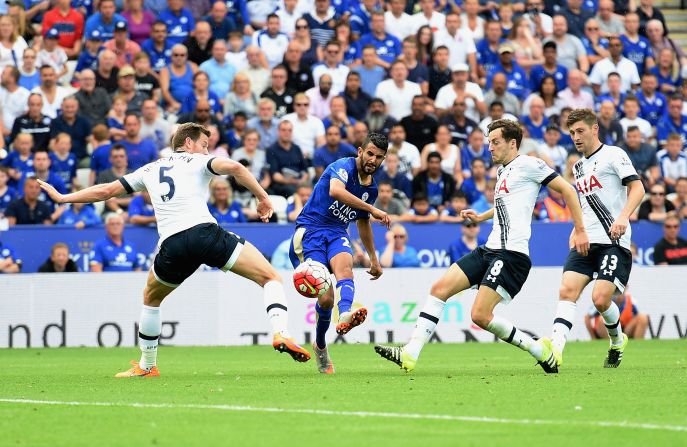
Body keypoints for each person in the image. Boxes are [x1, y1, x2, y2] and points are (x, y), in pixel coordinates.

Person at [38, 122, 311, 376]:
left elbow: (106, 190)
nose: (207, 149)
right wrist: (263, 198)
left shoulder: (149, 169)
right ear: (189, 143)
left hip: (173, 244)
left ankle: (147, 365)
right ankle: (280, 332)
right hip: (205, 234)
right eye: (205, 144)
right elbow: (238, 169)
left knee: (151, 298)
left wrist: (64, 198)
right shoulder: (200, 161)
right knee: (270, 278)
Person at [375, 118, 589, 373]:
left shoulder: (531, 164)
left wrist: (580, 229)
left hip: (511, 254)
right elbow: (505, 205)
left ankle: (539, 350)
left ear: (512, 143)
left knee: (480, 316)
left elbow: (568, 190)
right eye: (488, 143)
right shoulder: (502, 171)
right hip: (489, 249)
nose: (490, 147)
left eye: (495, 142)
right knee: (439, 288)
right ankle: (409, 354)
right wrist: (482, 216)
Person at [549, 108, 645, 371]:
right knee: (567, 291)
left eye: (580, 131)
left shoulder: (615, 154)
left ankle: (616, 341)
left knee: (601, 299)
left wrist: (624, 216)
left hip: (614, 239)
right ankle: (554, 352)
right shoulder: (577, 166)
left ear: (594, 129)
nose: (576, 137)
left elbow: (638, 188)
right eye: (571, 133)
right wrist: (576, 228)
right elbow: (583, 203)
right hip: (586, 239)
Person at [289, 132, 391, 374]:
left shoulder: (371, 189)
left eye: (378, 157)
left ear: (383, 159)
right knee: (325, 298)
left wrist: (374, 259)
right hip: (311, 231)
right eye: (369, 154)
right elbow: (336, 191)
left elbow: (362, 223)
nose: (372, 160)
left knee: (346, 267)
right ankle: (321, 345)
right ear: (360, 151)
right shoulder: (342, 166)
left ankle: (345, 314)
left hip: (336, 232)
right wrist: (371, 209)